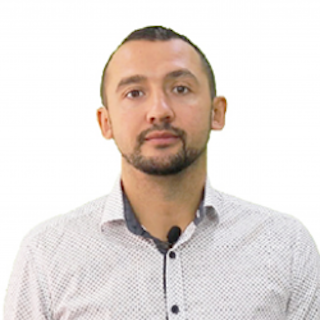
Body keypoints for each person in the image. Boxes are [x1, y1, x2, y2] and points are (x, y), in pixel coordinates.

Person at [4, 26, 320, 319]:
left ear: (217, 112)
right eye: (134, 93)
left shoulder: (284, 245)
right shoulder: (47, 255)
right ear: (106, 122)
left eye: (181, 88)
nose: (159, 111)